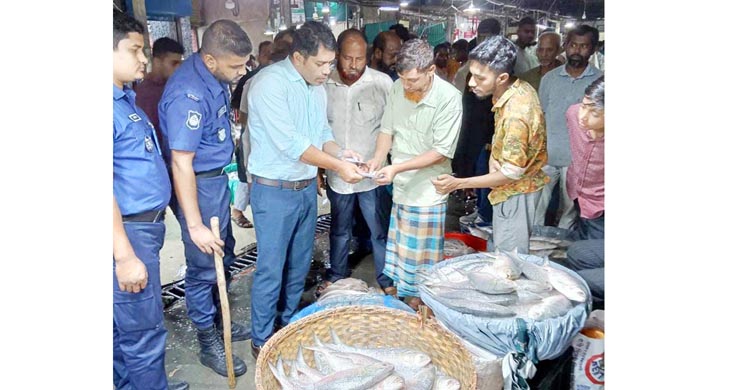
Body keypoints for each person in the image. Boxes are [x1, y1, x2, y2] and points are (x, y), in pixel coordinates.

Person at [245, 20, 365, 357]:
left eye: (330, 63)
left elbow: (320, 132)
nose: (328, 71)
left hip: (303, 190)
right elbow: (292, 144)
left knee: (299, 263)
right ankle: (262, 339)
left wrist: (341, 153)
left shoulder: (315, 87)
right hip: (274, 192)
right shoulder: (268, 84)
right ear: (298, 57)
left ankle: (288, 324)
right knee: (271, 268)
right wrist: (339, 167)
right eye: (321, 63)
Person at [158, 19, 252, 378]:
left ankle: (219, 320)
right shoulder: (188, 93)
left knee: (222, 254)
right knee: (202, 268)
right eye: (235, 66)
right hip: (197, 187)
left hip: (214, 183)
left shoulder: (213, 78)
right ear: (210, 59)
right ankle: (207, 339)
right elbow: (182, 162)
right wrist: (194, 223)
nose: (241, 72)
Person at [112, 10, 189, 390]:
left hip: (141, 227)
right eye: (135, 49)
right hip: (130, 232)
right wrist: (125, 256)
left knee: (122, 330)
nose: (143, 58)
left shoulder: (125, 99)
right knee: (143, 332)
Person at [367, 39, 463, 310]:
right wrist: (376, 160)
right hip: (402, 188)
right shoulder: (398, 88)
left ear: (430, 69)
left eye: (413, 80)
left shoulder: (449, 98)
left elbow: (441, 152)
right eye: (403, 79)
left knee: (423, 261)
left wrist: (396, 168)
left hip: (427, 191)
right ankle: (407, 302)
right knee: (402, 259)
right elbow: (387, 130)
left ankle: (423, 305)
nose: (407, 86)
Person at [432, 35, 548, 254]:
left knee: (509, 259)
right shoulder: (514, 89)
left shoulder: (517, 112)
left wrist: (458, 184)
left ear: (502, 77)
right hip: (511, 189)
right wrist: (495, 157)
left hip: (515, 192)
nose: (471, 83)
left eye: (480, 78)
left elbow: (511, 174)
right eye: (471, 75)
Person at [322, 28, 395, 295]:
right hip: (337, 174)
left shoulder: (382, 83)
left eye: (360, 59)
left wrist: (383, 162)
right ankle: (338, 274)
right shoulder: (324, 83)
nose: (354, 65)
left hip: (371, 176)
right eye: (348, 58)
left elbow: (391, 127)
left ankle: (387, 279)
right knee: (340, 229)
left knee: (379, 230)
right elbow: (319, 130)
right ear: (337, 55)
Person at [535, 25, 603, 229]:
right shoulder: (550, 79)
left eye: (584, 46)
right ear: (565, 46)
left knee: (569, 210)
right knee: (537, 206)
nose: (577, 50)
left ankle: (560, 250)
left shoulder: (600, 82)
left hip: (579, 161)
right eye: (573, 45)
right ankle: (532, 249)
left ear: (593, 49)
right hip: (546, 156)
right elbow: (540, 117)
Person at [452, 21, 502, 227]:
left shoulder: (513, 99)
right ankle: (481, 212)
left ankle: (486, 216)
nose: (473, 83)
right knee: (477, 169)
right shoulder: (468, 69)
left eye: (479, 78)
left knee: (487, 175)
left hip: (490, 136)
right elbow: (465, 102)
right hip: (471, 129)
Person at [228, 39, 274, 229]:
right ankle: (239, 212)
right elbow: (239, 111)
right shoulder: (251, 80)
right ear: (262, 56)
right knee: (247, 178)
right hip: (253, 141)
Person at [566, 76, 604, 240]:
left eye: (594, 112)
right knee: (579, 239)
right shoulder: (573, 114)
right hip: (577, 195)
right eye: (583, 106)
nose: (583, 116)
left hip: (602, 204)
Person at [134, 37, 185, 155]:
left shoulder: (175, 86)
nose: (178, 68)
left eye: (180, 63)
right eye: (174, 63)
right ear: (157, 62)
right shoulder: (145, 93)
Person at [454, 18, 501, 94]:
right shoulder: (466, 71)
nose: (484, 42)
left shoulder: (505, 64)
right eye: (481, 37)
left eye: (486, 38)